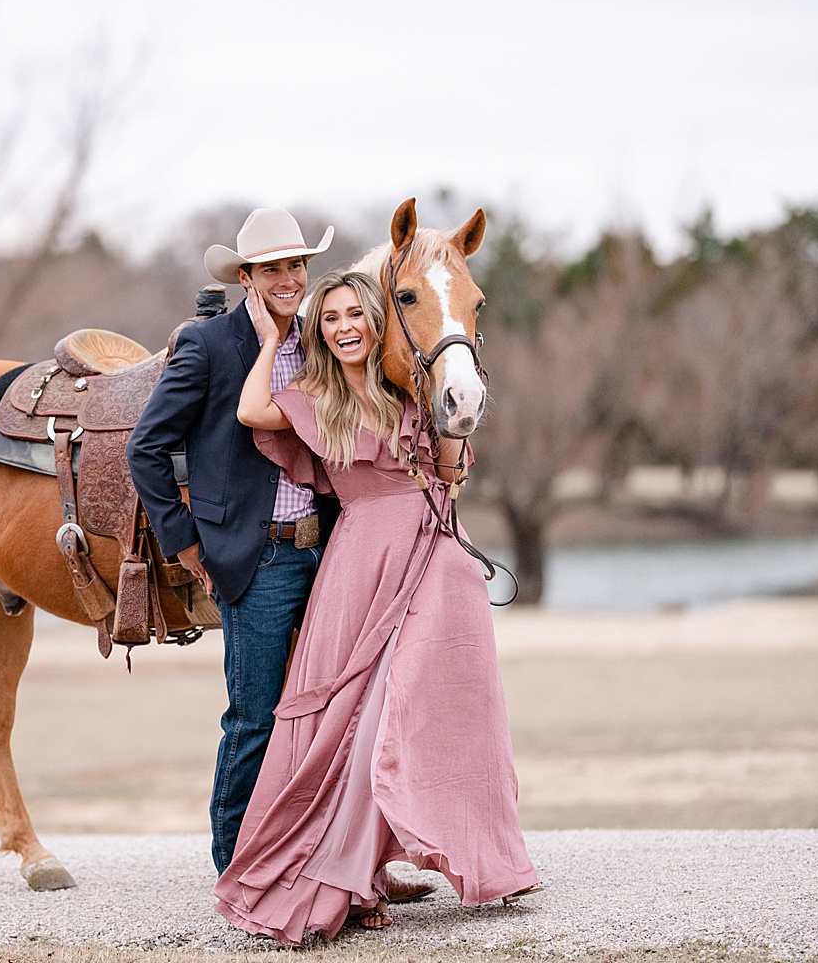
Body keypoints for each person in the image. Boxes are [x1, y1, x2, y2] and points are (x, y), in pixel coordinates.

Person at [211, 268, 539, 945]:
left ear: (373, 320)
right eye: (328, 320)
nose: (343, 329)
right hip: (364, 559)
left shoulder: (408, 390)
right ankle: (345, 872)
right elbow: (250, 412)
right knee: (361, 714)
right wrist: (275, 334)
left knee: (443, 711)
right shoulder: (313, 396)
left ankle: (484, 857)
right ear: (321, 333)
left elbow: (450, 472)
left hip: (441, 555)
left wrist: (455, 413)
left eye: (352, 315)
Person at [127, 209, 432, 907]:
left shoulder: (326, 336)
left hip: (330, 553)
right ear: (246, 278)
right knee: (257, 717)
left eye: (297, 265)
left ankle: (348, 862)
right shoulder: (208, 346)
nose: (291, 279)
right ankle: (236, 868)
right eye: (274, 269)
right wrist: (186, 542)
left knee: (340, 712)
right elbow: (147, 448)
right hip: (255, 561)